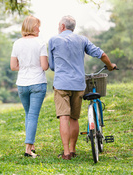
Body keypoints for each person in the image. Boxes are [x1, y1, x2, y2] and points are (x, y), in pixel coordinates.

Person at [48, 15, 116, 160]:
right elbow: (101, 54)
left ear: (62, 27)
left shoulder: (53, 40)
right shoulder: (82, 40)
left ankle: (66, 153)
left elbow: (52, 66)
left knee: (63, 117)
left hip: (61, 84)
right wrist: (110, 66)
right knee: (74, 118)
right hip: (78, 84)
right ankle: (73, 149)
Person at [10, 15, 49, 158]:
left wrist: (25, 66)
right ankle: (28, 149)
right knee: (32, 115)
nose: (39, 29)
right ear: (33, 27)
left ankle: (31, 146)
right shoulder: (40, 43)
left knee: (28, 115)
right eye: (38, 26)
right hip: (37, 82)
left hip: (22, 84)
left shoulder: (17, 43)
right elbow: (44, 66)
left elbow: (13, 66)